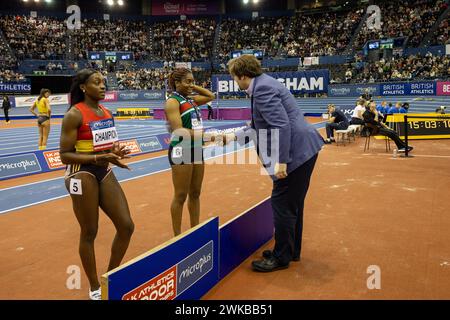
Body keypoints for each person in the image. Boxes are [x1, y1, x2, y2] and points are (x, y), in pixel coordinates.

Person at [225, 54, 323, 272]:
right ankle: (290, 250)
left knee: (282, 205)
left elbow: (280, 125)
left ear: (242, 75)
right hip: (304, 150)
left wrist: (281, 161)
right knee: (292, 205)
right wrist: (234, 136)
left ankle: (281, 257)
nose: (234, 81)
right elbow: (260, 124)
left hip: (295, 154)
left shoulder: (261, 89)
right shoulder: (264, 83)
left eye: (234, 77)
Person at [59, 69, 134, 300]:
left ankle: (110, 276)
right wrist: (97, 158)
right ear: (83, 87)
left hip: (103, 169)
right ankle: (94, 287)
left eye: (104, 82)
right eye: (97, 82)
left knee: (126, 226)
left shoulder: (105, 112)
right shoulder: (74, 115)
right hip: (80, 173)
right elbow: (64, 155)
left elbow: (107, 147)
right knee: (90, 231)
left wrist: (115, 153)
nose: (103, 86)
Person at [165, 68, 216, 236]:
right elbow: (179, 131)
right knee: (180, 195)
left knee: (195, 193)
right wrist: (209, 136)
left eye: (192, 81)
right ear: (177, 83)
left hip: (196, 149)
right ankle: (177, 236)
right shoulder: (173, 102)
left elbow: (210, 96)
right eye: (187, 81)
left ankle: (195, 229)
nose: (191, 84)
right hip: (182, 149)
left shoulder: (191, 100)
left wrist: (192, 87)